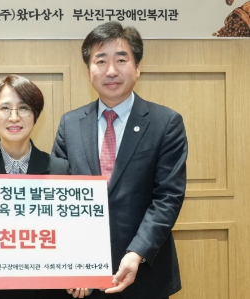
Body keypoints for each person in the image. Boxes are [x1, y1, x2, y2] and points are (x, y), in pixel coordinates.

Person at [52, 22, 187, 299]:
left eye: (121, 60)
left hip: (145, 272)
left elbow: (168, 197)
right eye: (100, 61)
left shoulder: (165, 123)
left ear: (137, 68)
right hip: (83, 274)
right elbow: (59, 196)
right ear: (88, 70)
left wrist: (137, 252)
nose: (111, 70)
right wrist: (70, 258)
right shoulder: (70, 124)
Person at [0, 74, 70, 299]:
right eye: (5, 108)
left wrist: (80, 274)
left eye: (24, 108)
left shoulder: (60, 170)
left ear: (35, 115)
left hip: (47, 291)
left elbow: (71, 235)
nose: (14, 117)